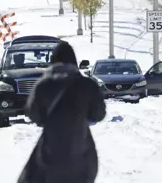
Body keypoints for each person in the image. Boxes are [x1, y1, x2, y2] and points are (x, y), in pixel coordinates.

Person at [17, 41, 106, 183]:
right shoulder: (88, 85)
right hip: (82, 156)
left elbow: (34, 115)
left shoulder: (43, 85)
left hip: (50, 156)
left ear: (53, 62)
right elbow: (98, 114)